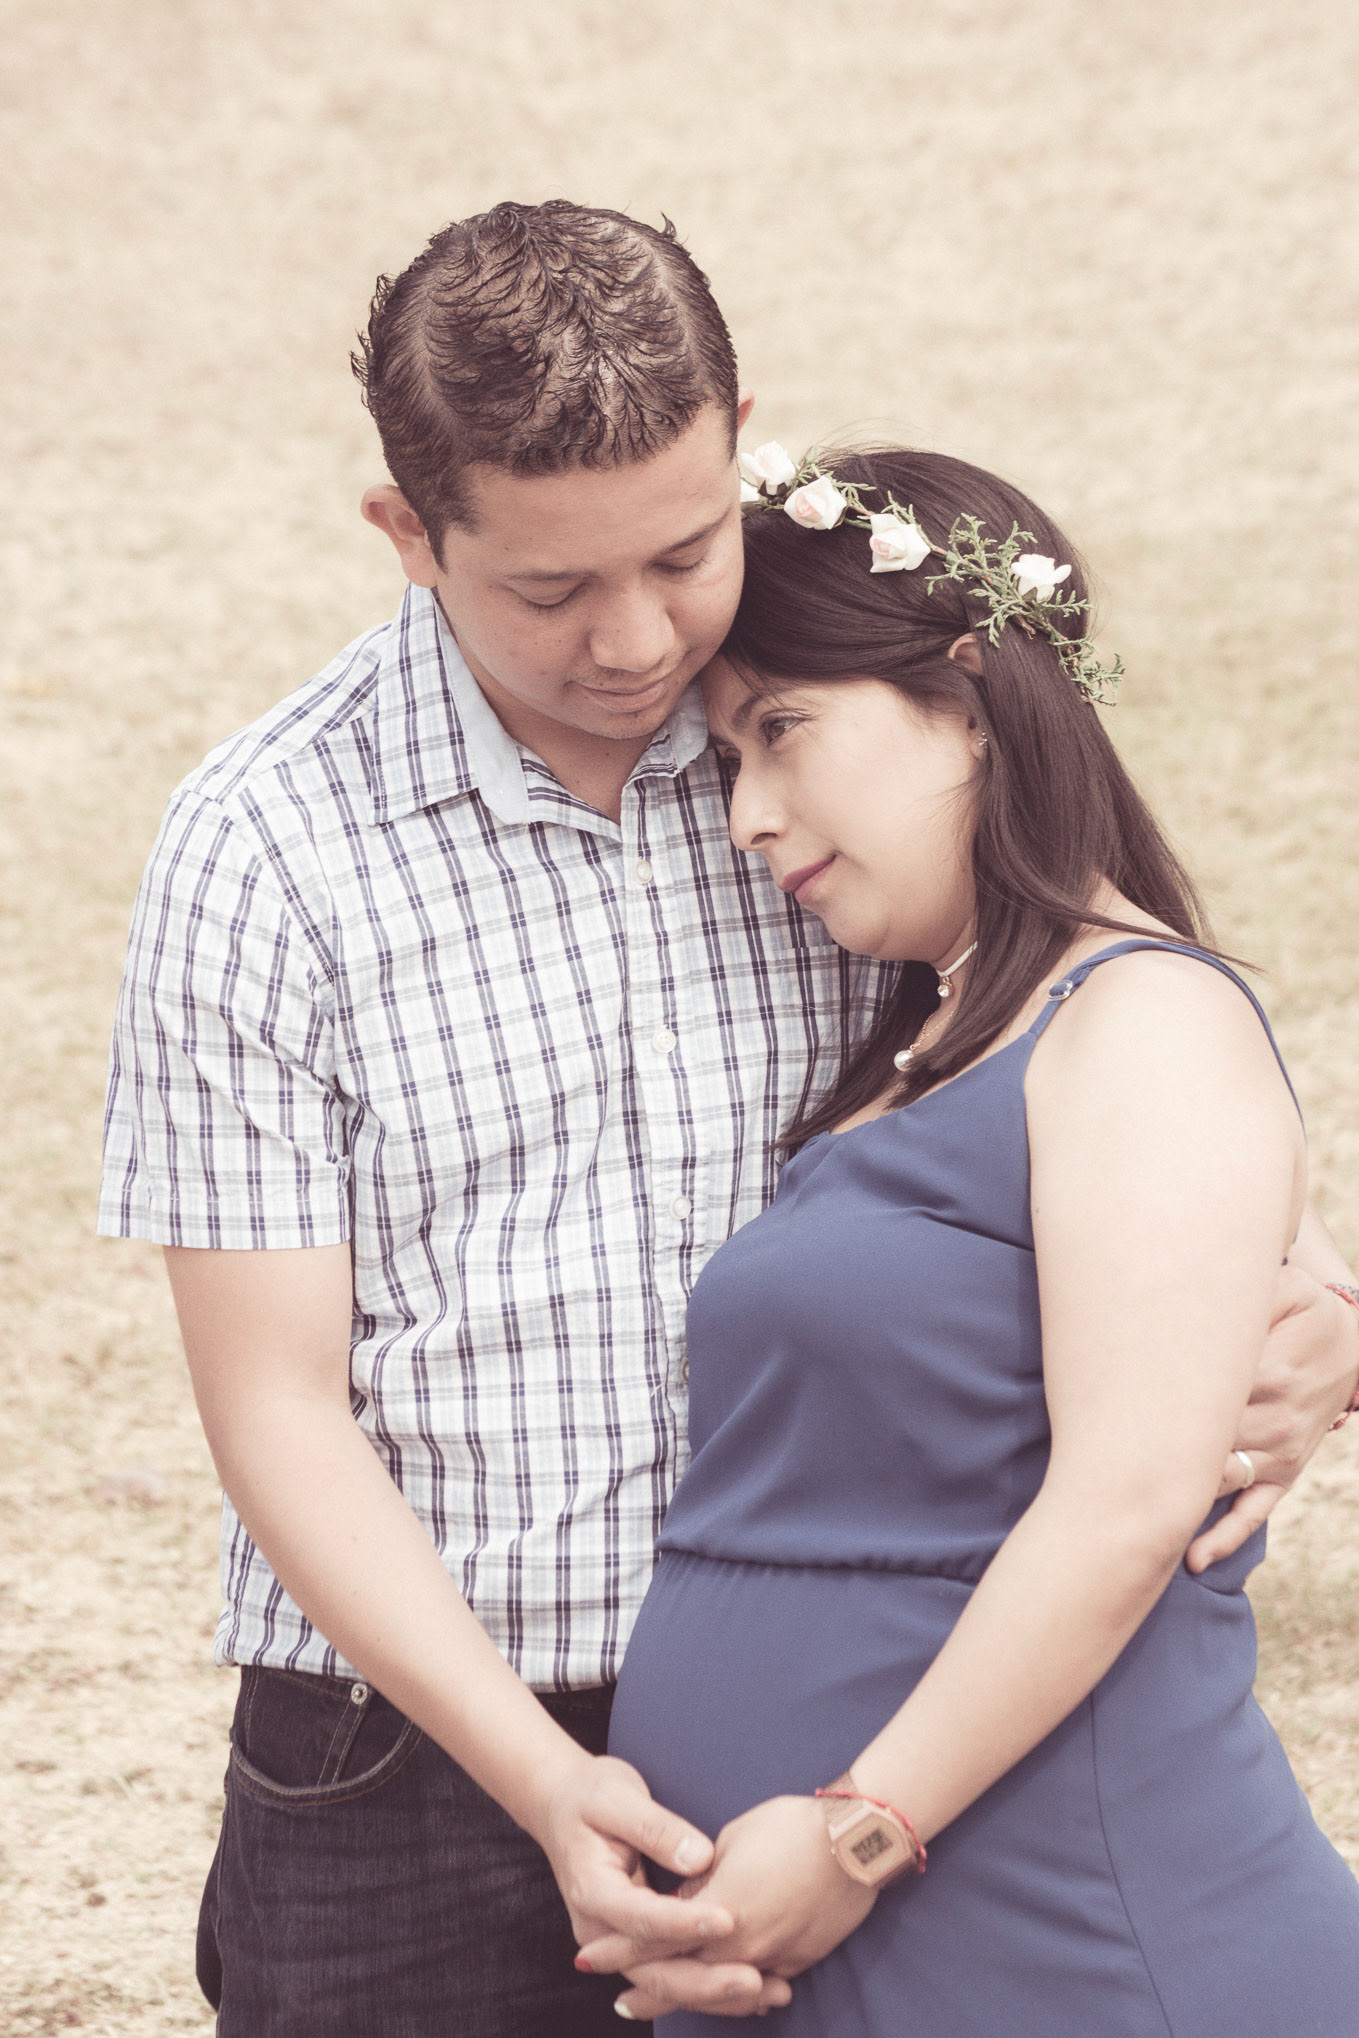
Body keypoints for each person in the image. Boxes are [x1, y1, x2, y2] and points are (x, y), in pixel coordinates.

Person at [96, 205, 1358, 2036]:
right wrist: (539, 1774)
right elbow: (276, 1401)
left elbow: (1103, 1027)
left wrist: (1318, 1302)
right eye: (546, 589)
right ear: (406, 533)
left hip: (866, 1760)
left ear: (740, 439)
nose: (632, 639)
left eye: (684, 551)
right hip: (415, 1779)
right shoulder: (262, 854)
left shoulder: (834, 735)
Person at [594, 445, 1359, 2032]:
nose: (746, 814)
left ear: (968, 691)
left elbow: (1129, 1503)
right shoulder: (930, 1045)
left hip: (1050, 1913)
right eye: (730, 758)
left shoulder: (1138, 1017)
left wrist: (866, 1826)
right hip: (854, 1928)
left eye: (782, 731)